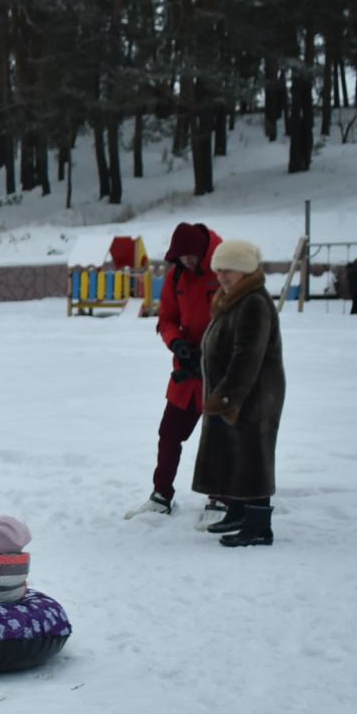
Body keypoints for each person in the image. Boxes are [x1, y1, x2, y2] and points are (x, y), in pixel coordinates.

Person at [127, 222, 228, 523]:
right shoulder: (175, 278)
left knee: (219, 437)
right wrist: (177, 344)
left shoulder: (223, 272)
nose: (186, 262)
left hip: (220, 371)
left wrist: (211, 351)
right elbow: (167, 318)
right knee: (169, 432)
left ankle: (219, 498)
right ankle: (161, 496)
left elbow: (236, 319)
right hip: (186, 373)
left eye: (190, 256)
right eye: (180, 258)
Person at [191, 238, 286, 548]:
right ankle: (237, 511)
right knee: (233, 453)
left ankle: (259, 526)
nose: (222, 276)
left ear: (245, 270)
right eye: (219, 270)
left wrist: (228, 395)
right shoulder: (234, 298)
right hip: (234, 391)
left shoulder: (254, 302)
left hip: (254, 394)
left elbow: (249, 355)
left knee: (253, 455)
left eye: (229, 270)